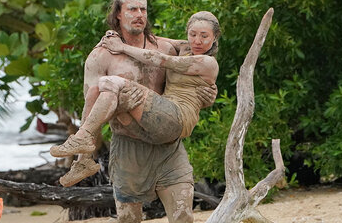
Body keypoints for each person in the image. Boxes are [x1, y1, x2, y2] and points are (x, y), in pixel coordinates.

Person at [57, 0, 215, 223]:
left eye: (143, 10)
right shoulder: (101, 56)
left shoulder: (164, 46)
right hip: (128, 149)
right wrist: (89, 148)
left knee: (184, 218)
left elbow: (199, 52)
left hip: (168, 147)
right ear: (117, 14)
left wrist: (207, 92)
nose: (139, 16)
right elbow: (90, 104)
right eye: (132, 10)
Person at [50, 10, 220, 169]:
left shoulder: (208, 63)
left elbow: (160, 59)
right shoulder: (185, 47)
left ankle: (83, 136)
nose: (197, 40)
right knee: (99, 89)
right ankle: (83, 161)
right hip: (156, 129)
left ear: (214, 37)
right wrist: (118, 36)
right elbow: (154, 40)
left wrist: (122, 47)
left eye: (204, 36)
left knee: (113, 82)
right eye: (193, 34)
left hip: (177, 119)